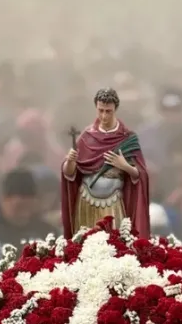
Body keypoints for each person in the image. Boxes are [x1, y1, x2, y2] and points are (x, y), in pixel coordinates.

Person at [61, 88, 150, 238]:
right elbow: (70, 174)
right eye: (100, 110)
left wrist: (124, 166)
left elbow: (140, 175)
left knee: (114, 246)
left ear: (115, 109)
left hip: (113, 203)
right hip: (86, 201)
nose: (104, 116)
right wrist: (70, 161)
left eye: (108, 111)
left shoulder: (127, 138)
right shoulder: (87, 137)